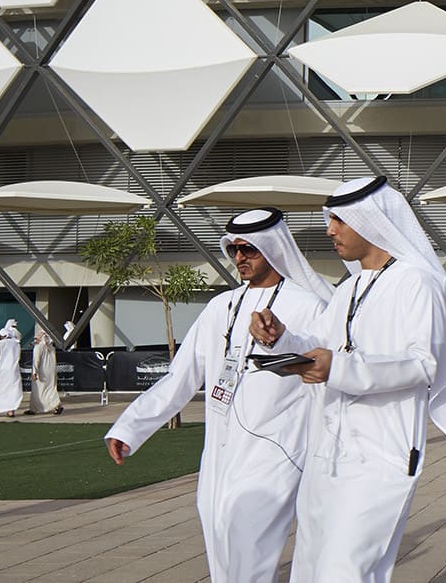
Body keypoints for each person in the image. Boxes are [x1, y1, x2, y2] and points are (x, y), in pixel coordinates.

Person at [250, 175, 446, 583]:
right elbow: (320, 344)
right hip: (326, 453)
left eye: (339, 220)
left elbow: (422, 365)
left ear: (371, 220)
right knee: (311, 570)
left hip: (382, 455)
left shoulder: (416, 282)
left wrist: (339, 369)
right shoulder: (350, 288)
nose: (329, 230)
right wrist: (281, 337)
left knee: (344, 573)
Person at [105, 207, 330, 583]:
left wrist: (282, 339)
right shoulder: (219, 306)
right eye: (234, 250)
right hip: (220, 453)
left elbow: (317, 357)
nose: (239, 257)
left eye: (249, 249)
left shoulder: (308, 305)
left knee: (250, 554)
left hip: (277, 451)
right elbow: (181, 377)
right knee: (223, 550)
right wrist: (130, 428)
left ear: (272, 248)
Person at [0, 321, 23, 417]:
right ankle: (11, 410)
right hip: (14, 370)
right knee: (12, 390)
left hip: (2, 369)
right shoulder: (17, 344)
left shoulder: (1, 343)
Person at [30, 325, 62, 416]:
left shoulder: (39, 347)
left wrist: (34, 372)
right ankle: (34, 408)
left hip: (42, 372)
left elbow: (36, 360)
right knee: (50, 389)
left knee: (39, 390)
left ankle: (56, 405)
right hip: (50, 372)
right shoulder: (51, 347)